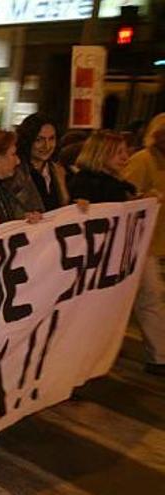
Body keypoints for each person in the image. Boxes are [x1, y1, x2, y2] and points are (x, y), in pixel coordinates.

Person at [124, 113, 165, 376]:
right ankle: (159, 356)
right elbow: (127, 197)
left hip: (159, 242)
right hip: (144, 244)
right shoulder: (142, 161)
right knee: (151, 297)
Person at [12, 113, 69, 211]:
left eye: (51, 139)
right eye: (39, 140)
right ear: (28, 140)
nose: (47, 146)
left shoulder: (59, 170)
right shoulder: (14, 172)